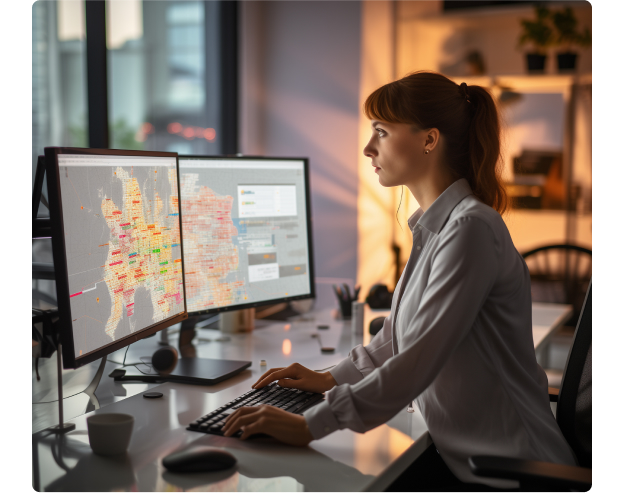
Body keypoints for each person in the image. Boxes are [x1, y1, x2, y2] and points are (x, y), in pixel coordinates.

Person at [222, 71, 577, 489]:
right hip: (472, 461)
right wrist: (330, 377)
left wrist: (309, 424)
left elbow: (417, 361)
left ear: (429, 139)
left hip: (514, 471)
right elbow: (398, 337)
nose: (369, 148)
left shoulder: (470, 231)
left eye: (381, 132)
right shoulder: (440, 228)